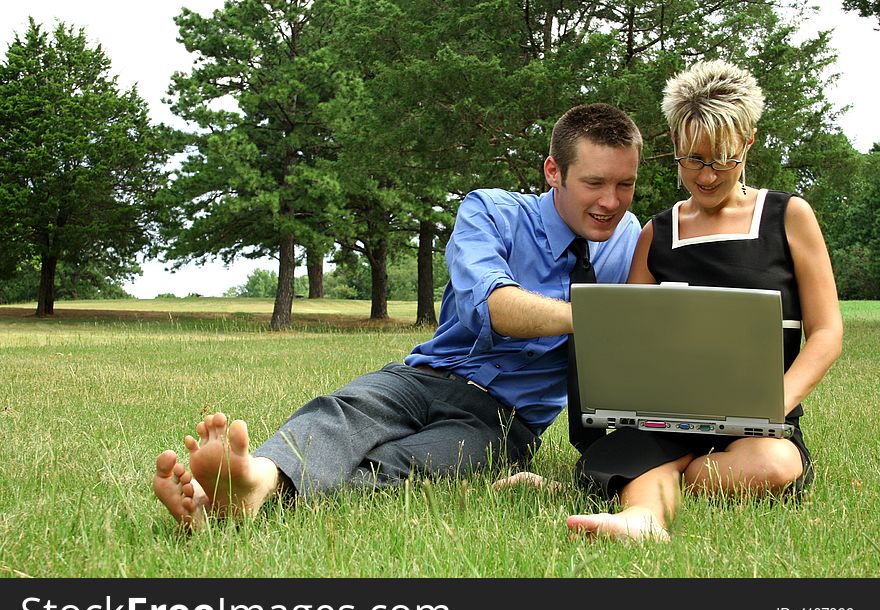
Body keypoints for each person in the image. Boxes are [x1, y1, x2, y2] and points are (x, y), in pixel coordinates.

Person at [152, 103, 644, 529]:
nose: (611, 202)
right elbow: (491, 305)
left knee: (416, 466)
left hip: (502, 423)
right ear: (553, 171)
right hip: (423, 378)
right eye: (594, 182)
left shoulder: (630, 239)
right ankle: (257, 475)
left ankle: (250, 498)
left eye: (626, 185)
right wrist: (594, 314)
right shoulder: (491, 212)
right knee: (341, 414)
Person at [548, 60, 841, 542]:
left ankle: (626, 475)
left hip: (760, 426)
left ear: (747, 142)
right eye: (691, 159)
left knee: (773, 466)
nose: (705, 176)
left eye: (721, 159)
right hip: (669, 416)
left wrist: (774, 406)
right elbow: (627, 337)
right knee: (660, 443)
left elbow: (827, 332)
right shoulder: (656, 233)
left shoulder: (788, 216)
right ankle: (641, 518)